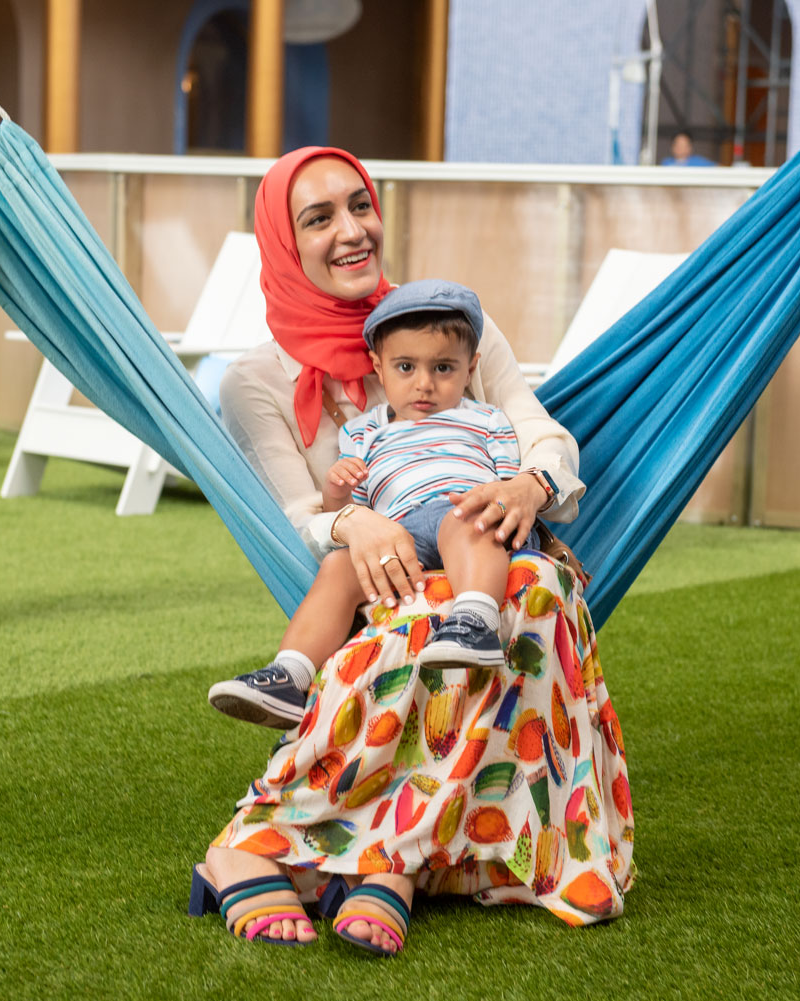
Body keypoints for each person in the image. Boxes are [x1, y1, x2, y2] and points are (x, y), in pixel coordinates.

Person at [190, 146, 633, 955]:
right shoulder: (255, 381)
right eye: (318, 218)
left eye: (361, 205)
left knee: (531, 586)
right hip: (358, 579)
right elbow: (295, 511)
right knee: (474, 604)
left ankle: (386, 851)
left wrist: (531, 486)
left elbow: (536, 430)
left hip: (476, 555)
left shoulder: (449, 324)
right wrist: (354, 523)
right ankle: (303, 848)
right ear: (284, 242)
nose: (352, 230)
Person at [261, 278, 542, 692]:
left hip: (467, 514)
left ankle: (475, 622)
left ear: (471, 367)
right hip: (399, 533)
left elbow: (506, 488)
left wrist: (500, 504)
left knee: (466, 520)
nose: (424, 383)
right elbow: (352, 514)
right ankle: (289, 674)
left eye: (443, 367)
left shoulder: (486, 419)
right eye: (406, 367)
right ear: (379, 368)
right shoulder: (363, 432)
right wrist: (337, 489)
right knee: (339, 566)